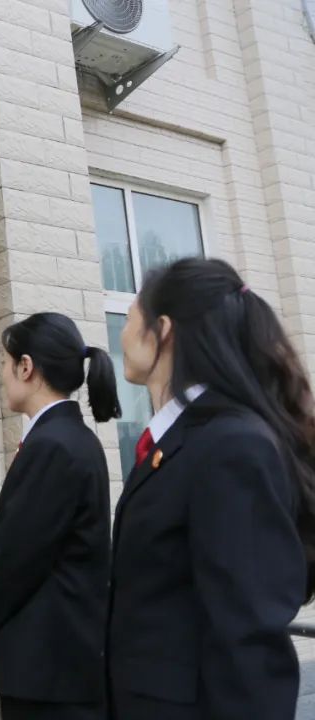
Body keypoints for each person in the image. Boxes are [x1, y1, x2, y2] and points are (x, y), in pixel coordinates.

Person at [109, 257, 314, 720]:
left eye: (131, 315)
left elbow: (248, 643)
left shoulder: (231, 445)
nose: (121, 332)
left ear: (163, 330)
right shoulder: (182, 440)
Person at [0, 312, 118, 719]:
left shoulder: (52, 445)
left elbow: (17, 559)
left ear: (26, 367)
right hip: (60, 662)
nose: (2, 374)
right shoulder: (71, 438)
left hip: (49, 669)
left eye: (4, 362)